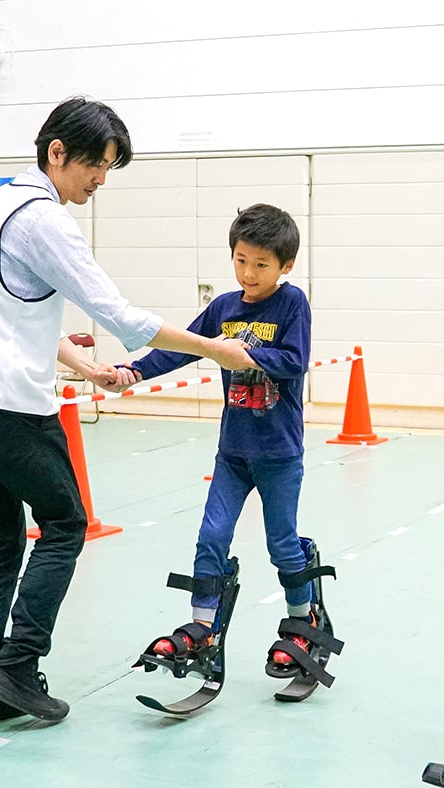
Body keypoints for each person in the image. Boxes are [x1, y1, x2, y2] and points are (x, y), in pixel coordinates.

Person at [0, 97, 255, 728]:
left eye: (110, 166)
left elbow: (12, 313)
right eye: (96, 163)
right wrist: (214, 350)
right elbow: (119, 315)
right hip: (5, 404)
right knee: (65, 524)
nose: (101, 178)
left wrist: (86, 368)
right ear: (57, 152)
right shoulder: (44, 218)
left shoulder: (0, 206)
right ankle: (17, 669)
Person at [108, 204, 324, 679]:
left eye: (262, 265)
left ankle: (302, 620)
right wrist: (133, 371)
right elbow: (181, 346)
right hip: (233, 453)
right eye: (241, 260)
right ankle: (203, 626)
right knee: (211, 536)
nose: (249, 272)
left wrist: (242, 353)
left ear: (285, 266)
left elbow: (294, 359)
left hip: (279, 454)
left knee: (281, 543)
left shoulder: (292, 305)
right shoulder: (225, 307)